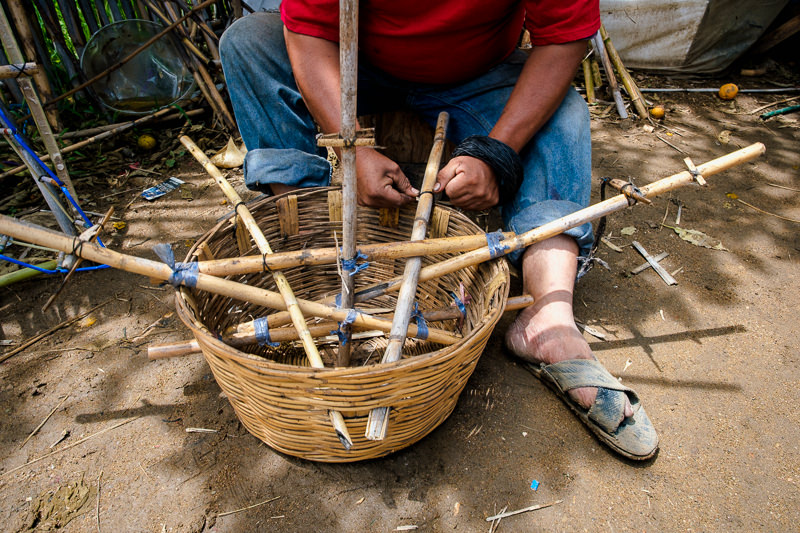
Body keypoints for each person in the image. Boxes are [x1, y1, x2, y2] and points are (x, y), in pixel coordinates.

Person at [219, 0, 659, 460]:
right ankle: (305, 250)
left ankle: (547, 321)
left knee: (564, 115)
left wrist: (496, 152)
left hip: (478, 75)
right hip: (353, 64)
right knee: (250, 43)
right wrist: (353, 150)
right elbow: (308, 33)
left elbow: (563, 39)